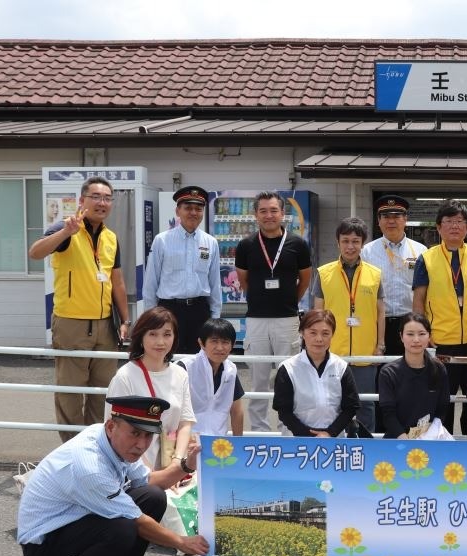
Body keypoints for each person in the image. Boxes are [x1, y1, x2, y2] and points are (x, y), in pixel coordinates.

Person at [17, 395, 210, 556]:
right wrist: (181, 541)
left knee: (153, 497)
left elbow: (149, 482)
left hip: (73, 522)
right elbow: (136, 520)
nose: (142, 444)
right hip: (43, 547)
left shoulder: (111, 441)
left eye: (148, 435)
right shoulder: (90, 466)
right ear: (111, 426)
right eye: (135, 433)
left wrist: (188, 464)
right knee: (122, 528)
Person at [28, 177, 131, 441]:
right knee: (70, 391)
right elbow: (35, 253)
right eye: (96, 197)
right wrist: (64, 233)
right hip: (71, 322)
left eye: (108, 198)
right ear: (82, 201)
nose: (102, 203)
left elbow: (116, 280)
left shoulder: (110, 237)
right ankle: (73, 450)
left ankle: (96, 446)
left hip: (105, 323)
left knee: (103, 391)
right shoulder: (66, 228)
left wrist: (125, 319)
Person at [412, 199, 467, 436]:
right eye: (448, 222)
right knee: (442, 400)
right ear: (438, 228)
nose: (454, 226)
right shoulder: (427, 258)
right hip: (441, 342)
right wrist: (422, 333)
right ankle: (442, 446)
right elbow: (419, 299)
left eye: (459, 222)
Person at [235, 191, 313, 432]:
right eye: (263, 211)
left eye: (273, 210)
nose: (269, 215)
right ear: (255, 215)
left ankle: (286, 428)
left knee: (287, 377)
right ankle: (259, 430)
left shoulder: (297, 244)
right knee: (258, 380)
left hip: (287, 319)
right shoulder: (246, 245)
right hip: (256, 320)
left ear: (283, 213)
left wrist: (288, 301)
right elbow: (244, 280)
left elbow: (304, 280)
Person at [314, 217, 386, 433]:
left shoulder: (375, 274)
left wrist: (380, 345)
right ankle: (336, 447)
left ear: (362, 243)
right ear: (338, 242)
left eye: (355, 241)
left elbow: (380, 312)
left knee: (366, 404)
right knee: (332, 405)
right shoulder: (324, 273)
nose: (350, 246)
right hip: (333, 352)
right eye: (345, 241)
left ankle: (366, 446)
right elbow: (318, 313)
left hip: (366, 353)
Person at [105, 307, 196, 470]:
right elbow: (113, 430)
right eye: (153, 334)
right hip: (133, 469)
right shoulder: (125, 376)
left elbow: (185, 423)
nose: (160, 342)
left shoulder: (180, 374)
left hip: (172, 464)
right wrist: (150, 474)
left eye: (167, 334)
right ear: (141, 338)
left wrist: (177, 464)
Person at [142, 185, 221, 354]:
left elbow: (215, 283)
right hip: (169, 310)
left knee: (199, 360)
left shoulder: (210, 242)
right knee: (167, 358)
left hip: (199, 311)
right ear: (178, 211)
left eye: (198, 208)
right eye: (188, 208)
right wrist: (151, 315)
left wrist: (215, 317)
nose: (193, 212)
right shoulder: (162, 240)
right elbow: (151, 281)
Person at [272, 310, 360, 437]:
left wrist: (330, 433)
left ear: (332, 334)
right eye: (313, 333)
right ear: (302, 332)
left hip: (334, 440)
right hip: (296, 441)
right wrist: (307, 435)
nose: (319, 339)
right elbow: (284, 411)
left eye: (325, 333)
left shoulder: (341, 367)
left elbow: (351, 407)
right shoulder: (288, 368)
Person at [360, 195, 427, 356]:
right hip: (378, 323)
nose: (391, 221)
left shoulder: (421, 251)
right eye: (386, 217)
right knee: (380, 372)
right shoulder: (366, 252)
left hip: (411, 323)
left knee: (411, 370)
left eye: (396, 216)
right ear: (378, 221)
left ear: (405, 219)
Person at [377, 313, 451, 439]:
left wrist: (428, 436)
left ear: (429, 336)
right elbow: (388, 414)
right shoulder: (388, 372)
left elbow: (442, 410)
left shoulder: (439, 369)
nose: (416, 339)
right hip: (397, 440)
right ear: (401, 336)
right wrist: (405, 440)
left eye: (422, 334)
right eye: (410, 334)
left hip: (429, 439)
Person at [176, 318, 245, 437]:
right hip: (187, 442)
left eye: (225, 342)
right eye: (214, 341)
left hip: (219, 445)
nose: (220, 347)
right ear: (201, 343)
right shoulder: (185, 367)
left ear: (232, 345)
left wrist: (238, 444)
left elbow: (237, 411)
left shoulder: (231, 370)